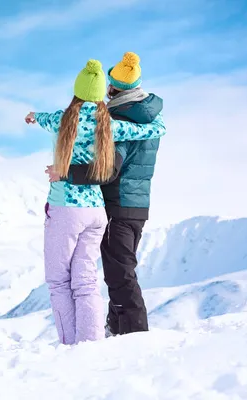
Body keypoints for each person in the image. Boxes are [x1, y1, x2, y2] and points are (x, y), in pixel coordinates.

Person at [25, 59, 166, 345]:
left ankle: (70, 345)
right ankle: (90, 343)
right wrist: (157, 120)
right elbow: (153, 130)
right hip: (96, 211)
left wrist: (32, 116)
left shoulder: (62, 119)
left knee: (59, 281)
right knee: (86, 280)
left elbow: (41, 118)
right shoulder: (112, 125)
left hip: (67, 207)